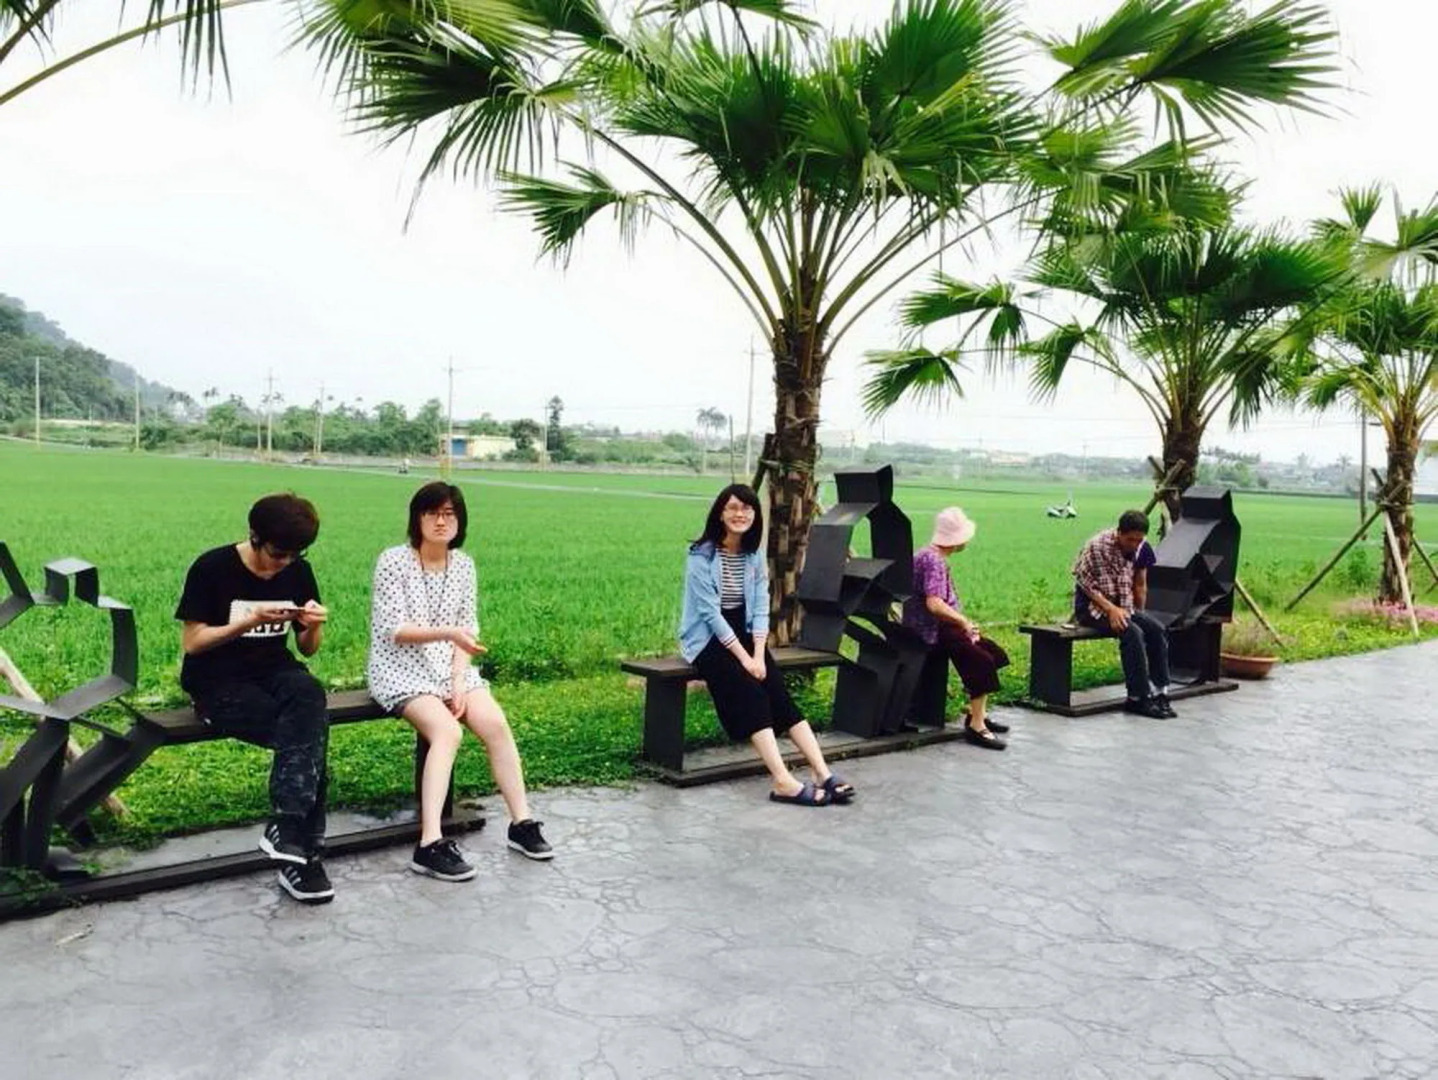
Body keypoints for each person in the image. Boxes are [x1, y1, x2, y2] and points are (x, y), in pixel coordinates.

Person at [368, 481, 552, 882]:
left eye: (449, 513)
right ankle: (429, 844)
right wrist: (449, 635)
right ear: (417, 519)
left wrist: (456, 680)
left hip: (450, 668)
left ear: (459, 521)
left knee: (496, 725)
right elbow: (393, 629)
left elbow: (468, 629)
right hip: (399, 668)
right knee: (448, 732)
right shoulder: (394, 561)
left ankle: (522, 823)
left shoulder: (464, 564)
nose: (440, 521)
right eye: (432, 513)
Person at [175, 493, 334, 904]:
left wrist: (312, 625)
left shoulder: (299, 571)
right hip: (217, 681)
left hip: (274, 672)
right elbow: (193, 643)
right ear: (254, 536)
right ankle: (301, 854)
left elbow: (307, 650)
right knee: (308, 743)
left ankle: (288, 831)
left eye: (295, 555)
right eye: (277, 553)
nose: (283, 563)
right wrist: (246, 621)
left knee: (308, 692)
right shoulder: (212, 568)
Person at [678, 484, 856, 807]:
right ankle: (783, 781)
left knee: (777, 692)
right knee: (751, 694)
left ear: (754, 515)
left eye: (746, 508)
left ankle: (822, 772)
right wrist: (746, 660)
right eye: (732, 508)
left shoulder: (753, 556)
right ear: (720, 513)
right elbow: (710, 615)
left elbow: (760, 609)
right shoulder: (700, 556)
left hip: (745, 634)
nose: (739, 514)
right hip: (706, 638)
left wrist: (759, 654)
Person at [902, 507, 1012, 750]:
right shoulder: (933, 561)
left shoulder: (927, 555)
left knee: (992, 653)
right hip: (933, 629)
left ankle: (977, 714)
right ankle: (976, 727)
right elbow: (934, 604)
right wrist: (963, 622)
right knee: (980, 659)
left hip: (940, 626)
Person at [1072, 509, 1176, 720]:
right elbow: (1085, 584)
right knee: (1133, 633)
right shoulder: (1097, 546)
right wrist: (1111, 609)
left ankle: (1160, 692)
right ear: (1119, 533)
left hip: (1124, 605)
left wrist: (1140, 613)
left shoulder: (1142, 548)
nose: (1134, 545)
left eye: (1139, 540)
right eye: (1130, 540)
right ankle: (1137, 698)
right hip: (1093, 607)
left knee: (1156, 629)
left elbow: (1140, 584)